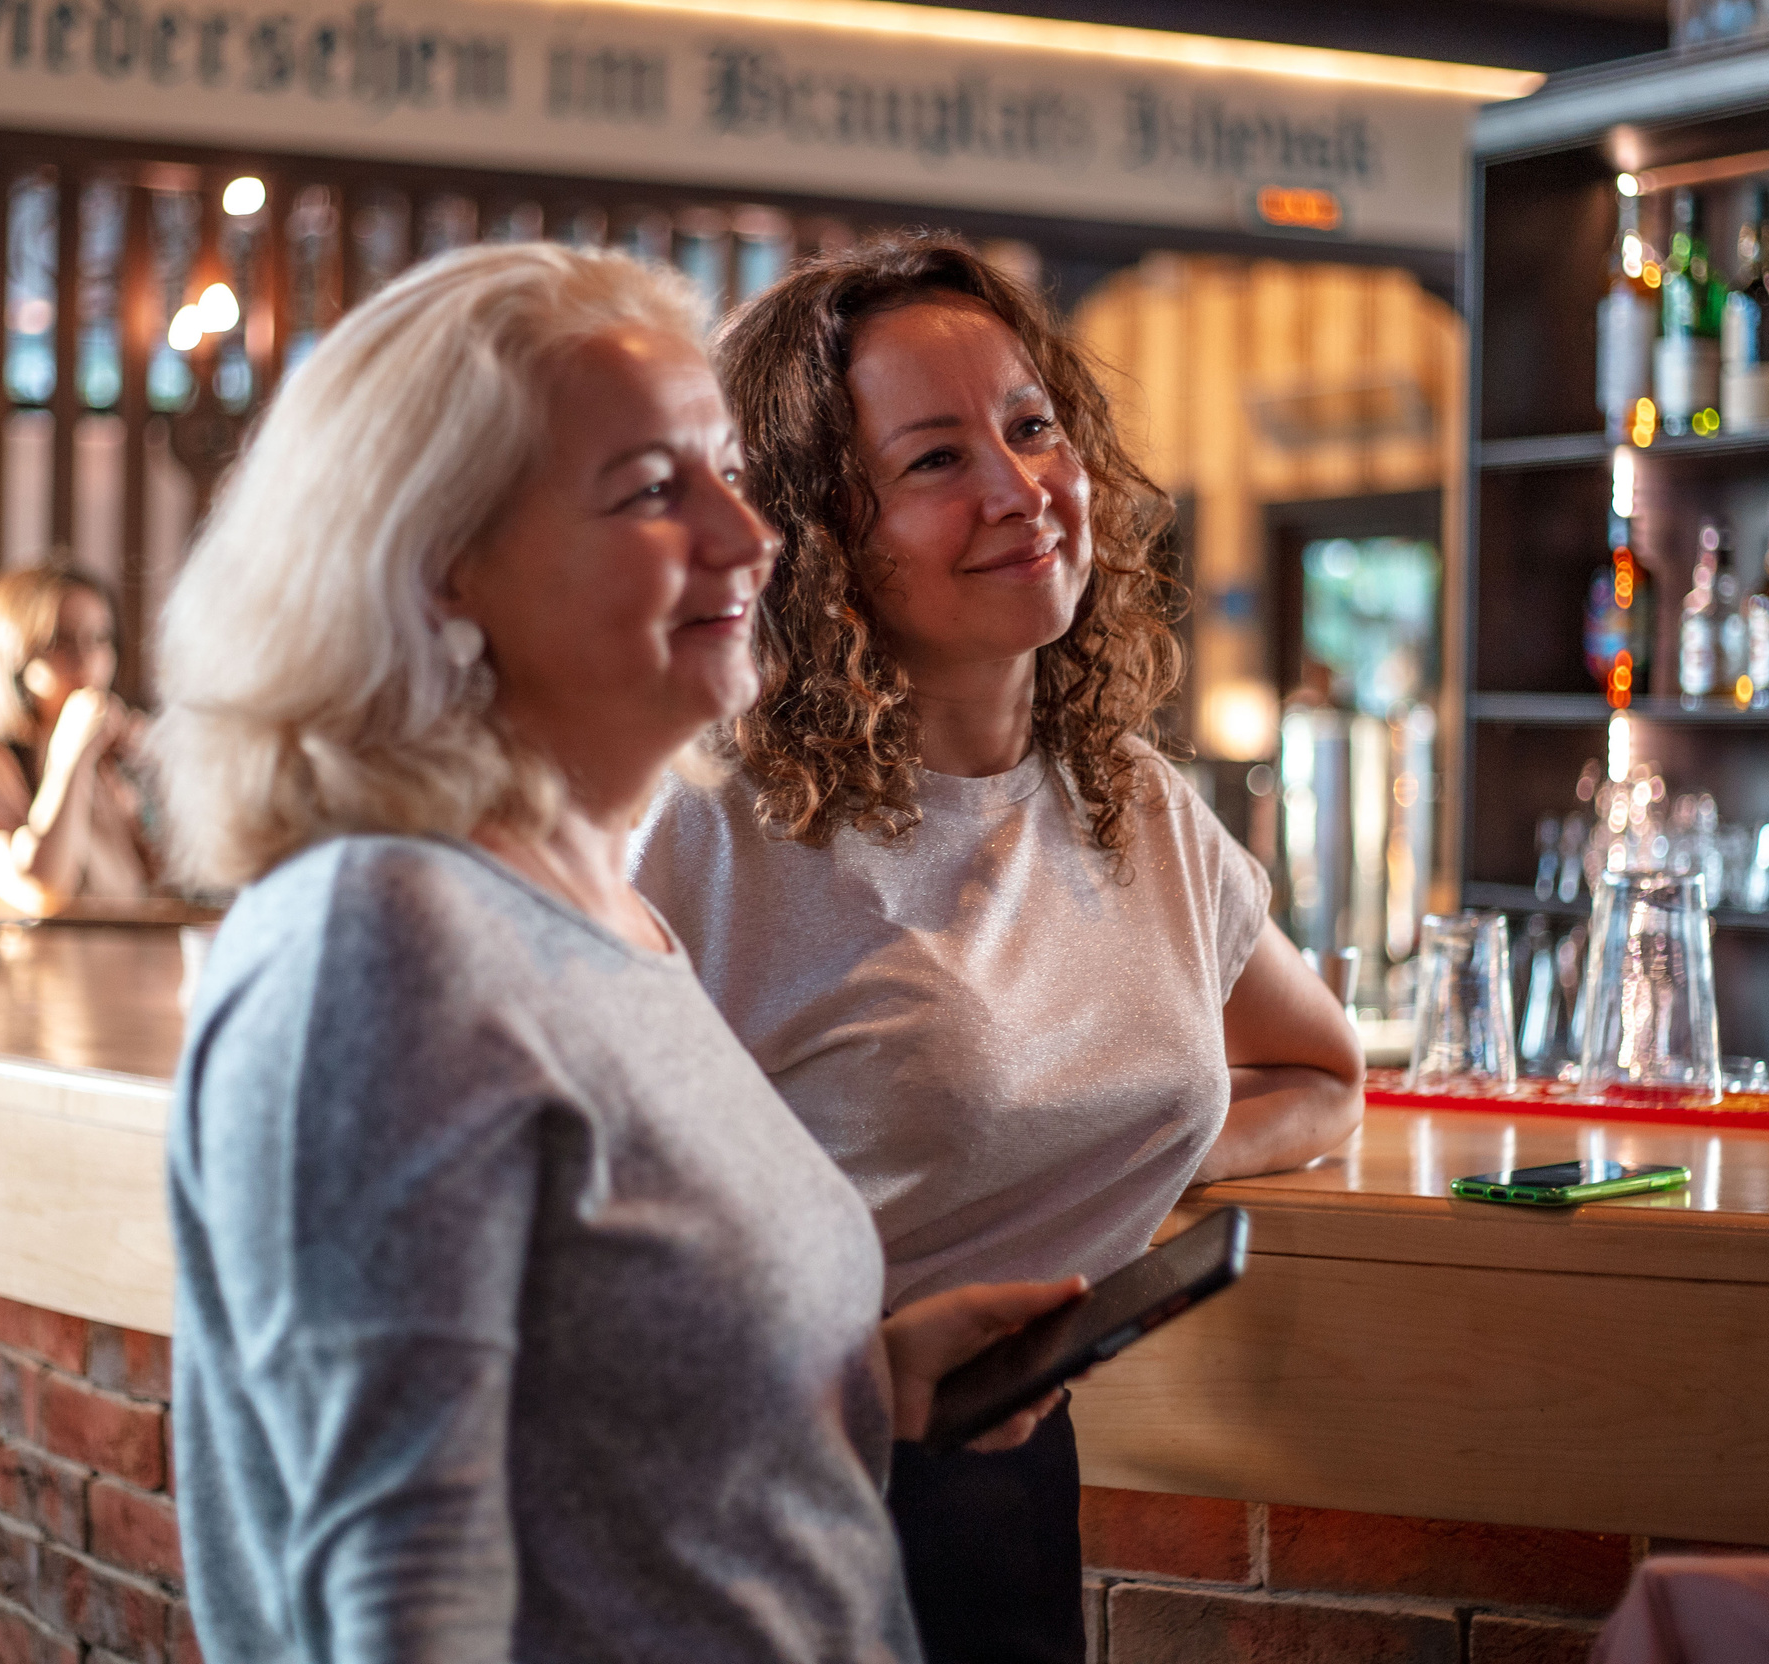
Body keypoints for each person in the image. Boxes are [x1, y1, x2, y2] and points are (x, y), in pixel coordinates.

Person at [153, 242, 1084, 1664]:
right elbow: (404, 1608)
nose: (752, 534)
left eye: (725, 470)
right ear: (440, 567)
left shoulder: (604, 913)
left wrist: (865, 1384)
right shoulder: (384, 941)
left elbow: (595, 1440)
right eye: (656, 492)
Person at [631, 234, 1366, 1664]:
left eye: (1032, 429)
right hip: (755, 1496)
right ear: (818, 534)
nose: (1021, 490)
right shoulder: (709, 829)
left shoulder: (1136, 804)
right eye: (933, 461)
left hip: (1006, 1468)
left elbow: (1322, 1074)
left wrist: (1104, 1169)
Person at [0, 564, 154, 919]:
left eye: (100, 639)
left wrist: (162, 775)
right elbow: (42, 886)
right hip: (1, 973)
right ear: (13, 655)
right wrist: (72, 756)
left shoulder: (104, 766)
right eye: (60, 641)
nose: (88, 662)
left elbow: (159, 889)